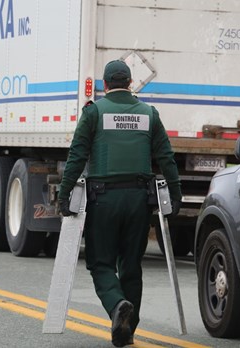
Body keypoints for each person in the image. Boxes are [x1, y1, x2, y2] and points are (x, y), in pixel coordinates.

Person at [58, 60, 181, 347]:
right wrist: (175, 195)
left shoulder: (94, 112)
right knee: (131, 264)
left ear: (104, 85)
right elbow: (166, 158)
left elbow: (77, 156)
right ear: (130, 83)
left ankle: (116, 306)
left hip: (104, 198)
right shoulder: (150, 114)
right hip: (139, 200)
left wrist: (64, 196)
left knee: (100, 262)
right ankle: (127, 328)